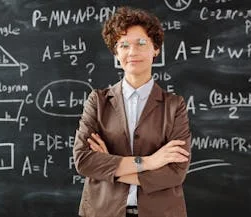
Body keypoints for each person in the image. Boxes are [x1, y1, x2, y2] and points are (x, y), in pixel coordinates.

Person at [73, 6, 191, 217]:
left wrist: (110, 167)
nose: (132, 52)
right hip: (103, 212)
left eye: (141, 43)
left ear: (155, 49)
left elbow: (175, 172)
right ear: (116, 52)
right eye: (124, 45)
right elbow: (84, 160)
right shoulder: (97, 101)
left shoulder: (175, 105)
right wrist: (149, 162)